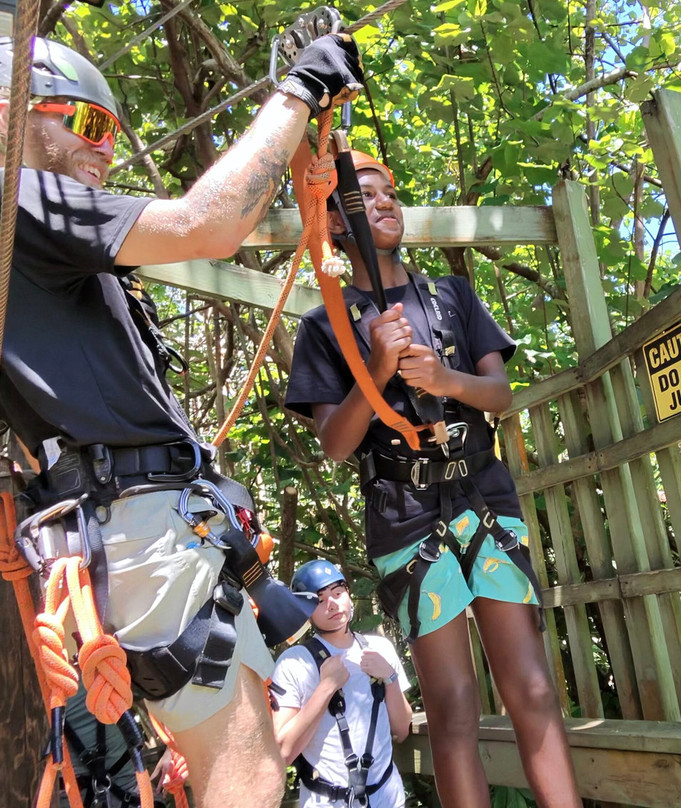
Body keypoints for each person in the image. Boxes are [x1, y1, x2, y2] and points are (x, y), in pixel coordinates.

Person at [0, 33, 364, 808]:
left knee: (247, 765)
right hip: (141, 526)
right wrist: (299, 90)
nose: (106, 147)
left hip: (153, 522)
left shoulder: (36, 244)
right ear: (9, 115)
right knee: (248, 779)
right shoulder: (18, 199)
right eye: (85, 123)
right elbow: (209, 223)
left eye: (111, 128)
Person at [284, 150, 583, 808]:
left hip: (483, 496)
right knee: (452, 704)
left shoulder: (452, 296)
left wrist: (445, 380)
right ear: (333, 223)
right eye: (363, 195)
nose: (384, 202)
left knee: (533, 689)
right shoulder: (325, 325)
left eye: (389, 191)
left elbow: (499, 393)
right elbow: (335, 443)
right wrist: (377, 371)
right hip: (407, 514)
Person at [272, 559, 412, 808]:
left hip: (387, 797)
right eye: (319, 600)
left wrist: (390, 677)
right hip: (326, 800)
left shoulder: (380, 648)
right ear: (304, 609)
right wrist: (326, 688)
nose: (332, 604)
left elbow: (401, 729)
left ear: (348, 594)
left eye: (337, 593)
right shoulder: (295, 662)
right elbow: (284, 752)